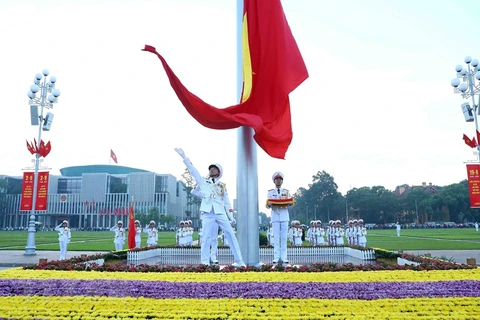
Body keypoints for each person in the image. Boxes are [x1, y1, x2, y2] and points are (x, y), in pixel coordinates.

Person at [174, 147, 245, 267]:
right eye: (210, 168)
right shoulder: (203, 181)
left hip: (219, 212)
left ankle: (239, 261)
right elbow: (193, 170)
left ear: (219, 172)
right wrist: (184, 157)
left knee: (230, 234)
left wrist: (231, 216)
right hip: (207, 212)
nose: (211, 170)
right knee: (206, 236)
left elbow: (227, 203)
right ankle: (205, 262)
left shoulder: (222, 186)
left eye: (214, 169)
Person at [266, 171, 294, 264]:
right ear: (274, 181)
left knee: (284, 238)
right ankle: (276, 257)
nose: (278, 181)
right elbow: (268, 205)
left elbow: (290, 203)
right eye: (277, 179)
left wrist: (289, 203)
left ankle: (284, 257)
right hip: (275, 216)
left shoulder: (286, 192)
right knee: (276, 237)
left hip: (284, 216)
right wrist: (270, 204)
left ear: (282, 181)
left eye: (280, 179)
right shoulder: (270, 192)